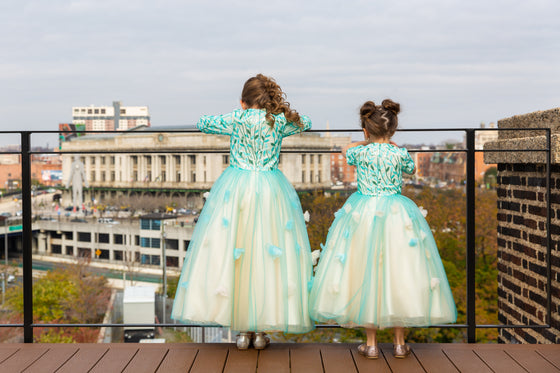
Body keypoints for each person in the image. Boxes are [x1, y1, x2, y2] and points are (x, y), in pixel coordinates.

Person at [171, 74, 315, 350]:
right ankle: (261, 332)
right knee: (267, 256)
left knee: (236, 255)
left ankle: (241, 332)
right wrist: (280, 113)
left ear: (242, 101)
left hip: (236, 189)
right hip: (271, 190)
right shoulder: (279, 121)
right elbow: (306, 123)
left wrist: (239, 114)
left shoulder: (237, 119)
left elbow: (203, 122)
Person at [309, 99, 457, 359]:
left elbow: (348, 153)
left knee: (367, 273)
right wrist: (393, 147)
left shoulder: (360, 152)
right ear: (393, 130)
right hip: (397, 214)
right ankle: (400, 344)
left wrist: (366, 142)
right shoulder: (399, 154)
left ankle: (371, 344)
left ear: (366, 130)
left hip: (363, 213)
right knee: (398, 272)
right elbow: (410, 169)